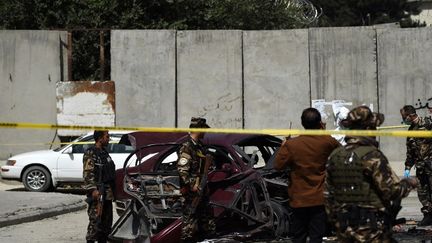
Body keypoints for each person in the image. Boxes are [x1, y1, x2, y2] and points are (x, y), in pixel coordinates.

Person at [325, 106, 418, 242]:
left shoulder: (335, 155)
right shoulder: (372, 155)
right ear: (368, 129)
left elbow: (328, 196)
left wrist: (338, 223)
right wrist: (408, 183)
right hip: (371, 231)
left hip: (344, 230)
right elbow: (391, 191)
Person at [274, 107, 340, 243]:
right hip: (319, 198)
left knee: (299, 236)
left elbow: (278, 166)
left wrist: (284, 145)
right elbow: (341, 154)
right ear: (319, 123)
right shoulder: (327, 141)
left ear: (302, 123)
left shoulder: (292, 145)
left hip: (299, 198)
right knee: (317, 236)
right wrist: (323, 131)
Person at [177, 117, 216, 242]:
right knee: (190, 222)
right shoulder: (187, 147)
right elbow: (182, 171)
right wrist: (192, 185)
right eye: (204, 130)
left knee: (206, 220)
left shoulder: (199, 146)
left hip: (202, 188)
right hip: (192, 192)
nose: (205, 132)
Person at [400, 105, 432, 225]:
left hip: (431, 165)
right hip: (421, 168)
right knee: (423, 193)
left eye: (404, 117)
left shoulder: (428, 123)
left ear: (410, 115)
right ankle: (428, 215)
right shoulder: (411, 131)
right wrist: (407, 168)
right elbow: (410, 152)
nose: (403, 119)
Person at [83, 130, 116, 243]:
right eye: (107, 137)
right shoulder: (91, 153)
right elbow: (88, 173)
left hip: (107, 193)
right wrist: (93, 190)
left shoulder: (104, 153)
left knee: (106, 223)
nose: (109, 139)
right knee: (96, 221)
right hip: (98, 192)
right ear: (100, 138)